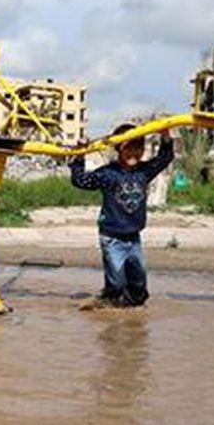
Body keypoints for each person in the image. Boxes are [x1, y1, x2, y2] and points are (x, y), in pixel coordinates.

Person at [69, 123, 174, 308]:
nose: (134, 152)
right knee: (117, 281)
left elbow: (165, 158)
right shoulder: (109, 173)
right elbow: (80, 180)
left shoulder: (144, 172)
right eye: (129, 147)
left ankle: (129, 308)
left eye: (138, 147)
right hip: (111, 237)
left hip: (134, 237)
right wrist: (80, 153)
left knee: (139, 284)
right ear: (118, 148)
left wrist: (165, 134)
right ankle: (107, 300)